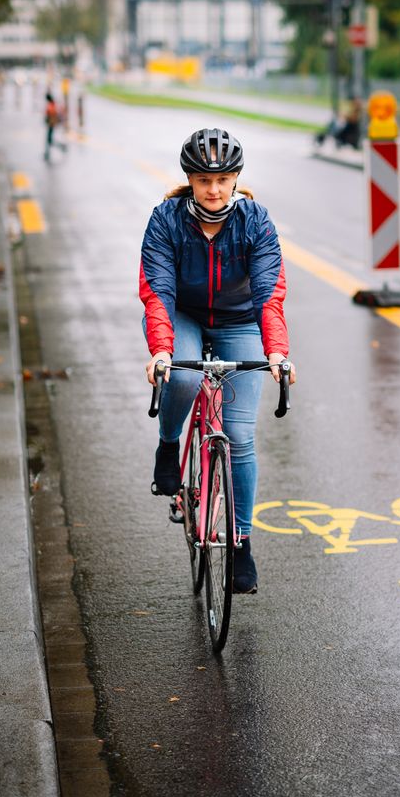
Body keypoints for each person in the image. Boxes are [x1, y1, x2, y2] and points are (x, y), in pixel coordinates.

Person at [139, 127, 296, 594]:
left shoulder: (255, 221)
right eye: (204, 180)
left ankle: (241, 543)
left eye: (223, 179)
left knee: (242, 436)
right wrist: (162, 351)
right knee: (183, 378)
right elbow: (157, 291)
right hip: (182, 316)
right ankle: (170, 443)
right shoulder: (166, 220)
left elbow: (270, 293)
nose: (214, 189)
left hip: (241, 322)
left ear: (236, 178)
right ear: (189, 178)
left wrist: (277, 353)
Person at [44, 92, 66, 161]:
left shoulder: (51, 105)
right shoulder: (52, 104)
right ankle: (47, 152)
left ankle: (61, 147)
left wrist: (48, 119)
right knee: (49, 139)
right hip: (51, 124)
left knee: (49, 140)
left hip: (51, 125)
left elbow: (51, 115)